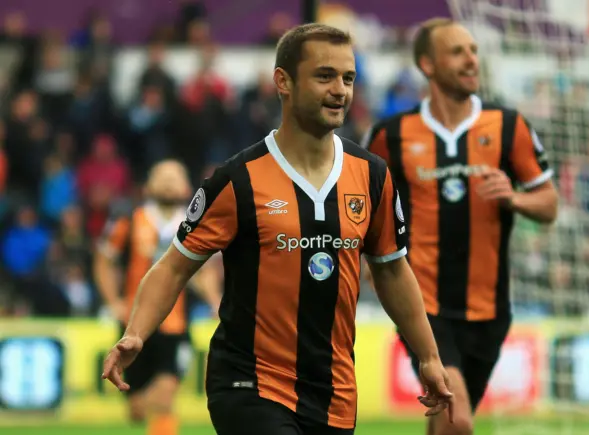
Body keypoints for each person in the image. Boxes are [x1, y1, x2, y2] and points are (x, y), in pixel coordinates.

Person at [102, 23, 453, 435]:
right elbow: (175, 266)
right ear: (282, 82)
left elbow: (393, 270)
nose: (340, 90)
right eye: (325, 76)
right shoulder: (237, 180)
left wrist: (428, 356)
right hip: (248, 382)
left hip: (333, 390)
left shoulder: (373, 176)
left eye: (348, 78)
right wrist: (136, 334)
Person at [363, 18, 559, 435]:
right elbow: (363, 209)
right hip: (423, 305)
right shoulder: (390, 136)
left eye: (473, 50)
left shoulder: (509, 126)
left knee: (445, 422)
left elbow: (549, 204)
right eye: (458, 51)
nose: (472, 59)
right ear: (427, 64)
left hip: (490, 311)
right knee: (459, 420)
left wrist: (513, 197)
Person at [95, 159, 221, 435]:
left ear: (187, 186)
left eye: (174, 176)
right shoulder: (129, 220)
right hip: (135, 324)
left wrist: (214, 301)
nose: (168, 182)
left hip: (175, 325)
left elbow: (205, 271)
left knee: (164, 397)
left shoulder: (195, 223)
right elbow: (104, 260)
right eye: (162, 176)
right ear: (148, 185)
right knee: (137, 410)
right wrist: (112, 301)